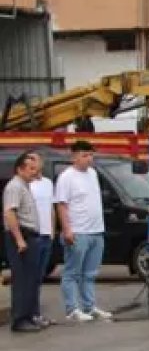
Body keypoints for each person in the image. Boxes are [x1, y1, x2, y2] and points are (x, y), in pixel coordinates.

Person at [55, 140, 112, 322]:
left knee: (90, 273)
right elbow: (61, 205)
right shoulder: (66, 177)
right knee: (72, 272)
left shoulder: (93, 174)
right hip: (78, 231)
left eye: (91, 155)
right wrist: (67, 229)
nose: (89, 159)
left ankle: (89, 306)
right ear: (74, 157)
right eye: (84, 155)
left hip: (96, 230)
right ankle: (72, 309)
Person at [3, 152, 45, 332]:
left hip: (30, 236)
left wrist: (36, 168)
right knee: (21, 279)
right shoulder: (15, 187)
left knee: (30, 278)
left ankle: (29, 316)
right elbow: (10, 213)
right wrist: (19, 239)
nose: (35, 172)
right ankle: (19, 319)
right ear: (20, 169)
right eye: (31, 168)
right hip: (22, 236)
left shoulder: (25, 185)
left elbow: (39, 173)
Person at [27, 152, 56, 327]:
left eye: (35, 160)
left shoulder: (47, 183)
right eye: (29, 160)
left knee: (39, 278)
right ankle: (30, 314)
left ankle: (36, 313)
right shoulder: (27, 185)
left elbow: (51, 208)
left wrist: (52, 230)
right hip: (34, 236)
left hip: (46, 236)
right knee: (30, 277)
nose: (33, 163)